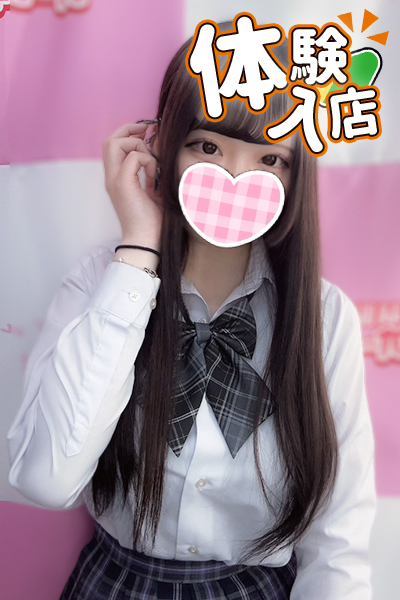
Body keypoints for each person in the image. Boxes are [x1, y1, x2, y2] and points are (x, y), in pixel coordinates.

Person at [7, 22, 376, 600]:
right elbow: (46, 479)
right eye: (206, 147)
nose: (234, 179)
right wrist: (138, 249)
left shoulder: (324, 319)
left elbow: (338, 540)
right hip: (114, 585)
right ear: (165, 146)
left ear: (295, 174)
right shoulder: (101, 282)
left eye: (271, 159)